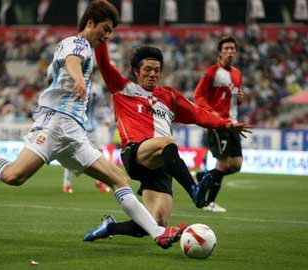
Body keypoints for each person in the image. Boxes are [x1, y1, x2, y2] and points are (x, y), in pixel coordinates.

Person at [0, 0, 187, 250]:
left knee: (118, 178)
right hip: (56, 125)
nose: (107, 36)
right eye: (105, 29)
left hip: (74, 131)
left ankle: (158, 233)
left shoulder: (78, 46)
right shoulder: (78, 43)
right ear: (90, 23)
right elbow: (72, 61)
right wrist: (78, 79)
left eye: (111, 31)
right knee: (14, 176)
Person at [83, 40, 251, 241]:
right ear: (136, 70)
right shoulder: (123, 89)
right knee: (166, 141)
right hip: (136, 154)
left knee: (157, 223)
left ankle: (109, 228)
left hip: (161, 163)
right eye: (147, 69)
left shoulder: (169, 95)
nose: (153, 74)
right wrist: (101, 39)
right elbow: (104, 63)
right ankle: (194, 190)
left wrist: (225, 124)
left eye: (157, 70)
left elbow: (198, 114)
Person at [193, 36, 244, 213]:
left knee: (236, 164)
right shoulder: (211, 72)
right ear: (220, 52)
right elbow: (198, 95)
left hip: (234, 124)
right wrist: (211, 112)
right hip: (217, 124)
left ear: (235, 51)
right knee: (223, 165)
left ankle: (202, 176)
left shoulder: (237, 74)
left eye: (232, 48)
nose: (230, 51)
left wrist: (241, 100)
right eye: (226, 48)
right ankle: (210, 203)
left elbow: (235, 97)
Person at [62, 70, 111, 193]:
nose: (91, 76)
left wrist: (106, 119)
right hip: (77, 126)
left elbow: (101, 105)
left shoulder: (97, 88)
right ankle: (67, 183)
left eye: (92, 74)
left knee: (100, 154)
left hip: (92, 127)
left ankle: (100, 181)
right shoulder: (76, 85)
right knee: (71, 154)